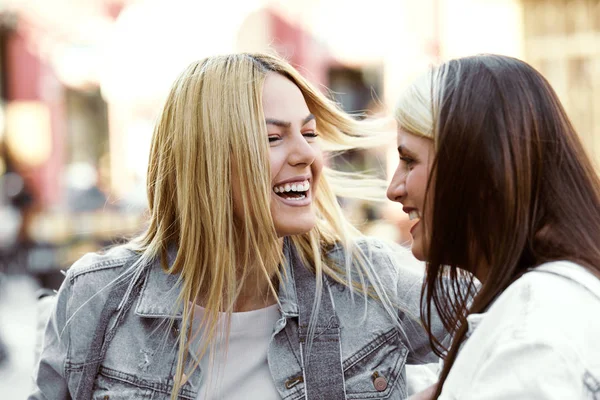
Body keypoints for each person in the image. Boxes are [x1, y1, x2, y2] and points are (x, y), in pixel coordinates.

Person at [31, 53, 446, 400]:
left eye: (309, 133)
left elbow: (485, 331)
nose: (307, 155)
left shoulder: (366, 281)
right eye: (272, 138)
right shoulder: (97, 297)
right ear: (207, 160)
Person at [388, 54, 600, 399]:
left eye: (409, 161)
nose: (394, 189)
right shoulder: (542, 314)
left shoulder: (531, 335)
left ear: (478, 165)